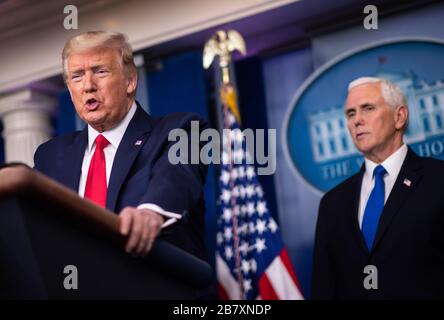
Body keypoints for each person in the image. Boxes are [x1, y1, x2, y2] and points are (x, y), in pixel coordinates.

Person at [33, 31, 209, 262]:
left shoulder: (182, 130)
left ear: (130, 81)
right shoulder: (50, 155)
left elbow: (174, 179)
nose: (88, 86)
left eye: (100, 71)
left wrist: (150, 213)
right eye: (77, 76)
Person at [312, 77, 444, 299]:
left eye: (368, 108)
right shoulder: (332, 204)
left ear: (399, 116)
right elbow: (324, 289)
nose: (357, 121)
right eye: (351, 113)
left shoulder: (438, 180)